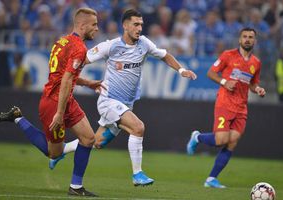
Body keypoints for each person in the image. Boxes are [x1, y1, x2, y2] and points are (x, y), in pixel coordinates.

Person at [0, 8, 102, 197]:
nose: (97, 28)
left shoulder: (63, 41)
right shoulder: (79, 48)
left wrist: (87, 83)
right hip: (54, 103)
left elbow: (64, 75)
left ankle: (76, 187)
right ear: (82, 25)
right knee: (54, 153)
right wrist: (59, 113)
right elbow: (67, 80)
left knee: (88, 138)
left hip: (64, 98)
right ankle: (18, 118)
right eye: (94, 24)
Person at [85, 9, 197, 186]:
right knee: (138, 128)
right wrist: (78, 79)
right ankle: (137, 174)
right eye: (136, 24)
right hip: (108, 101)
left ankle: (61, 151)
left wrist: (182, 70)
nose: (139, 28)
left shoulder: (144, 43)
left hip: (125, 104)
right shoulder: (111, 46)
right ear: (125, 25)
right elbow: (83, 59)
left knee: (95, 141)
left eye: (141, 25)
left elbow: (165, 55)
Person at [187, 27, 266, 188]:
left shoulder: (256, 63)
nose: (248, 39)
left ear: (255, 41)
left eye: (251, 37)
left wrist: (257, 89)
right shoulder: (228, 55)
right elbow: (211, 73)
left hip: (242, 107)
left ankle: (211, 179)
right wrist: (224, 82)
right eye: (244, 36)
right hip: (225, 103)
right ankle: (197, 137)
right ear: (239, 40)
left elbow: (252, 83)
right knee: (220, 140)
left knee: (232, 141)